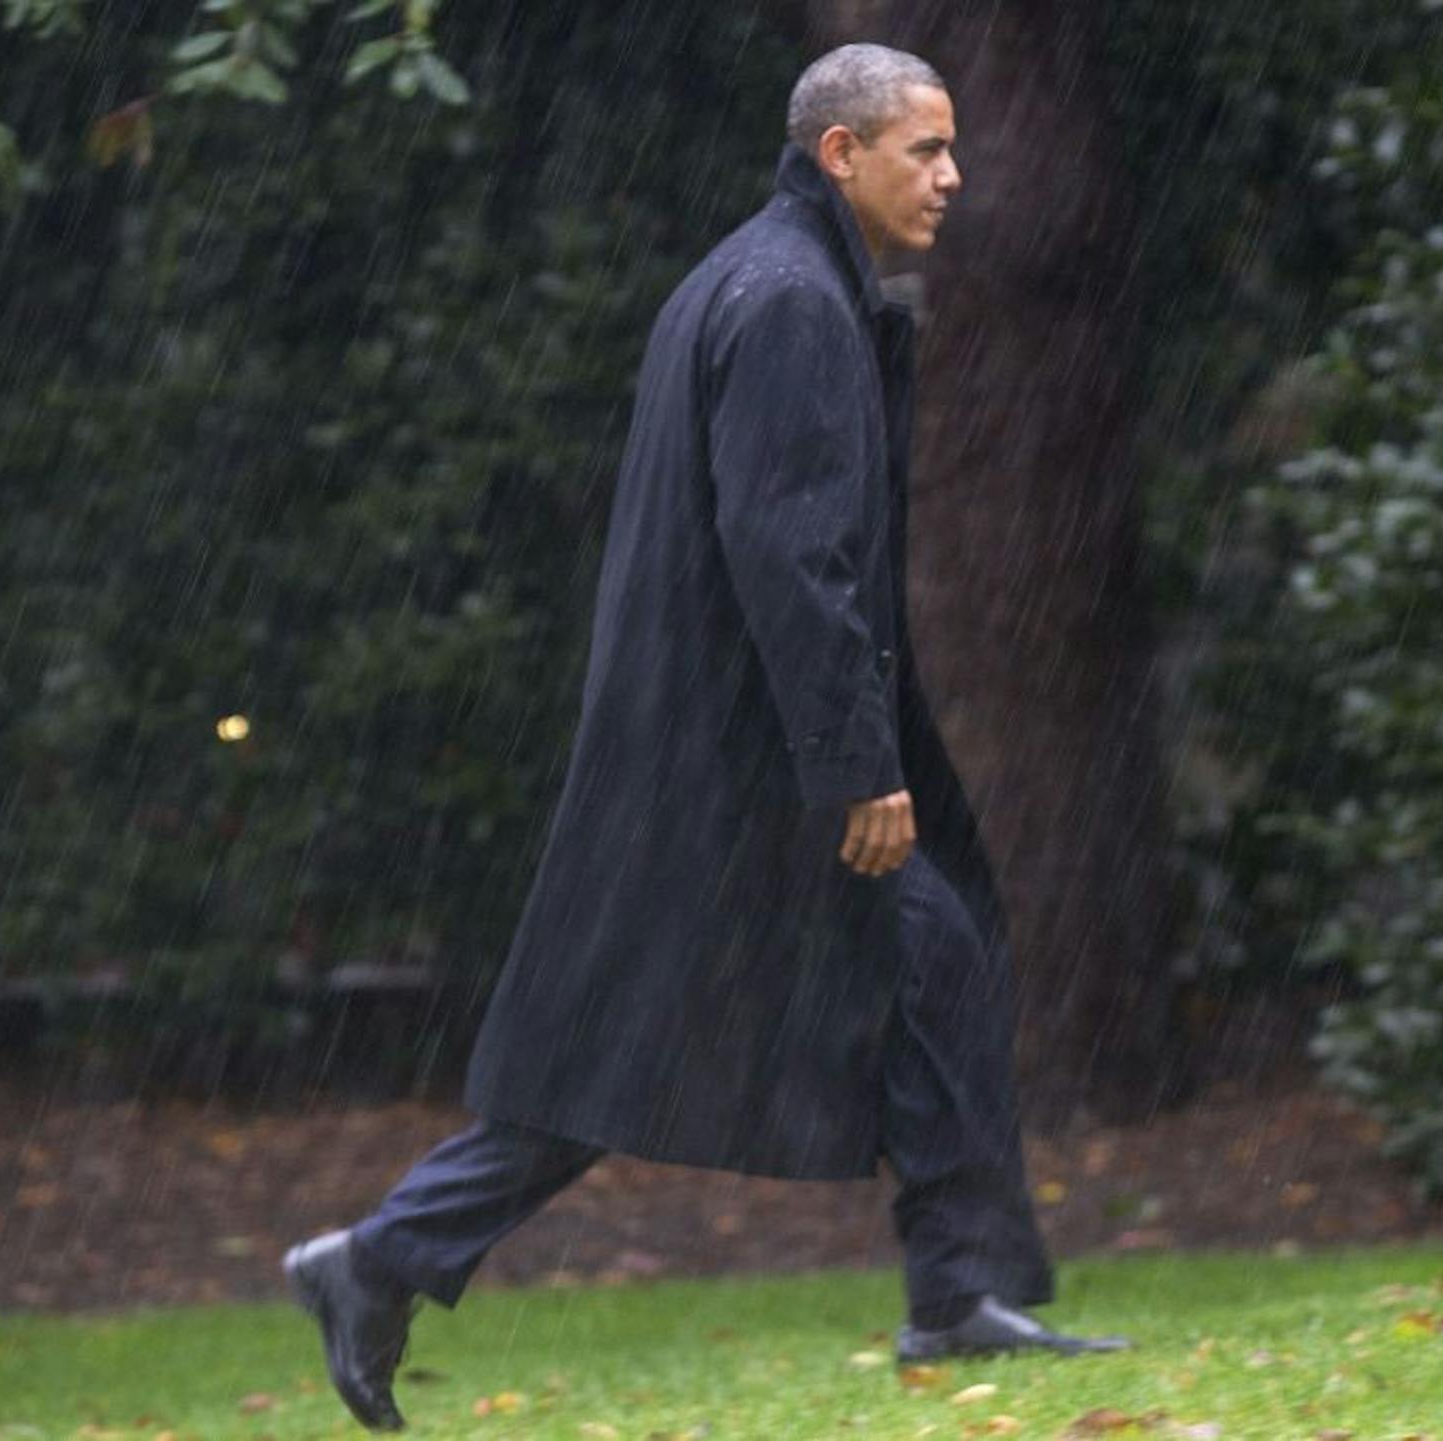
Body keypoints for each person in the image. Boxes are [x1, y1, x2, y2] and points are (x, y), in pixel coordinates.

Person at [282, 43, 1128, 1432]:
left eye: (953, 148)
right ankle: (378, 1257)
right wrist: (856, 765)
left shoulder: (761, 275)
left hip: (725, 744)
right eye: (925, 150)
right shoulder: (790, 299)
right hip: (756, 761)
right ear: (841, 154)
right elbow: (792, 559)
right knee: (639, 1039)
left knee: (925, 966)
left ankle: (956, 1291)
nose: (956, 177)